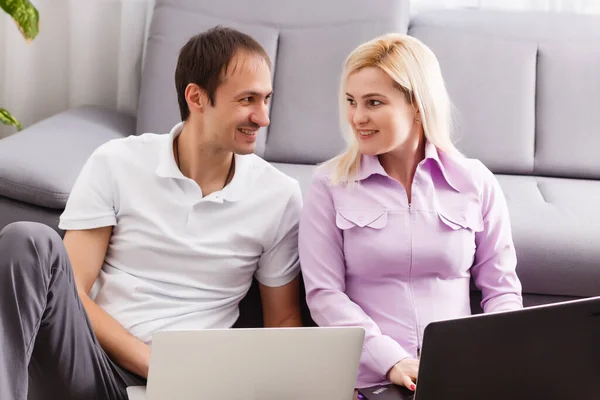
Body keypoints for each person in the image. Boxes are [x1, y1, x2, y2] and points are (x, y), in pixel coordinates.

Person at [0, 27, 304, 400]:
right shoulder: (118, 162)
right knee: (27, 239)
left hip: (196, 385)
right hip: (95, 366)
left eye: (266, 99)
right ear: (196, 97)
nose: (263, 117)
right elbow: (74, 289)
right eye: (247, 100)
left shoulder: (279, 195)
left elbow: (283, 320)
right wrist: (150, 362)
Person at [298, 33, 523, 392]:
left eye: (374, 102)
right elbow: (325, 295)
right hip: (368, 380)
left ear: (418, 105)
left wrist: (494, 354)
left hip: (458, 373)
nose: (357, 117)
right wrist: (390, 359)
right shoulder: (328, 185)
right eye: (351, 101)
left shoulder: (475, 181)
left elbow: (502, 290)